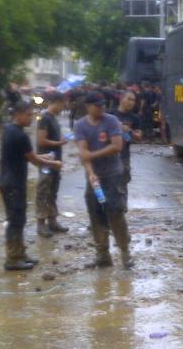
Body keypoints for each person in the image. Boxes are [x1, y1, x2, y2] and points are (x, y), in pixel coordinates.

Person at [0, 101, 62, 271]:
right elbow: (33, 159)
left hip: (9, 181)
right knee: (15, 220)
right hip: (13, 183)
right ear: (17, 115)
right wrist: (52, 163)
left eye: (32, 114)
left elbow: (31, 156)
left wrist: (46, 159)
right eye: (28, 115)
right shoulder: (20, 135)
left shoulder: (9, 130)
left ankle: (19, 253)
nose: (31, 118)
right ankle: (12, 258)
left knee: (19, 219)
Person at [74, 91, 134, 269]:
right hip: (95, 180)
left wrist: (92, 154)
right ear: (88, 106)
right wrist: (91, 173)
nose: (101, 108)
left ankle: (125, 253)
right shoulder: (80, 125)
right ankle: (102, 255)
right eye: (97, 105)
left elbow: (117, 146)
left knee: (115, 213)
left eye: (103, 105)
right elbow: (83, 153)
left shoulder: (111, 121)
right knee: (96, 214)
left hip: (113, 176)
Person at [35, 91, 69, 238]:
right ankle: (41, 223)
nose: (64, 107)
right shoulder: (44, 118)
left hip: (55, 161)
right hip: (46, 161)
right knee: (43, 191)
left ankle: (52, 220)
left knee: (53, 190)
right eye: (63, 104)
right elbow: (41, 141)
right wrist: (59, 142)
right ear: (57, 102)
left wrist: (59, 141)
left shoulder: (54, 118)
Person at [108, 91, 142, 188]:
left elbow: (139, 137)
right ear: (121, 99)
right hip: (108, 155)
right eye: (129, 99)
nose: (131, 102)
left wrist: (128, 130)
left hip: (124, 156)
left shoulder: (135, 118)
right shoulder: (110, 114)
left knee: (122, 184)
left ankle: (121, 201)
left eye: (133, 100)